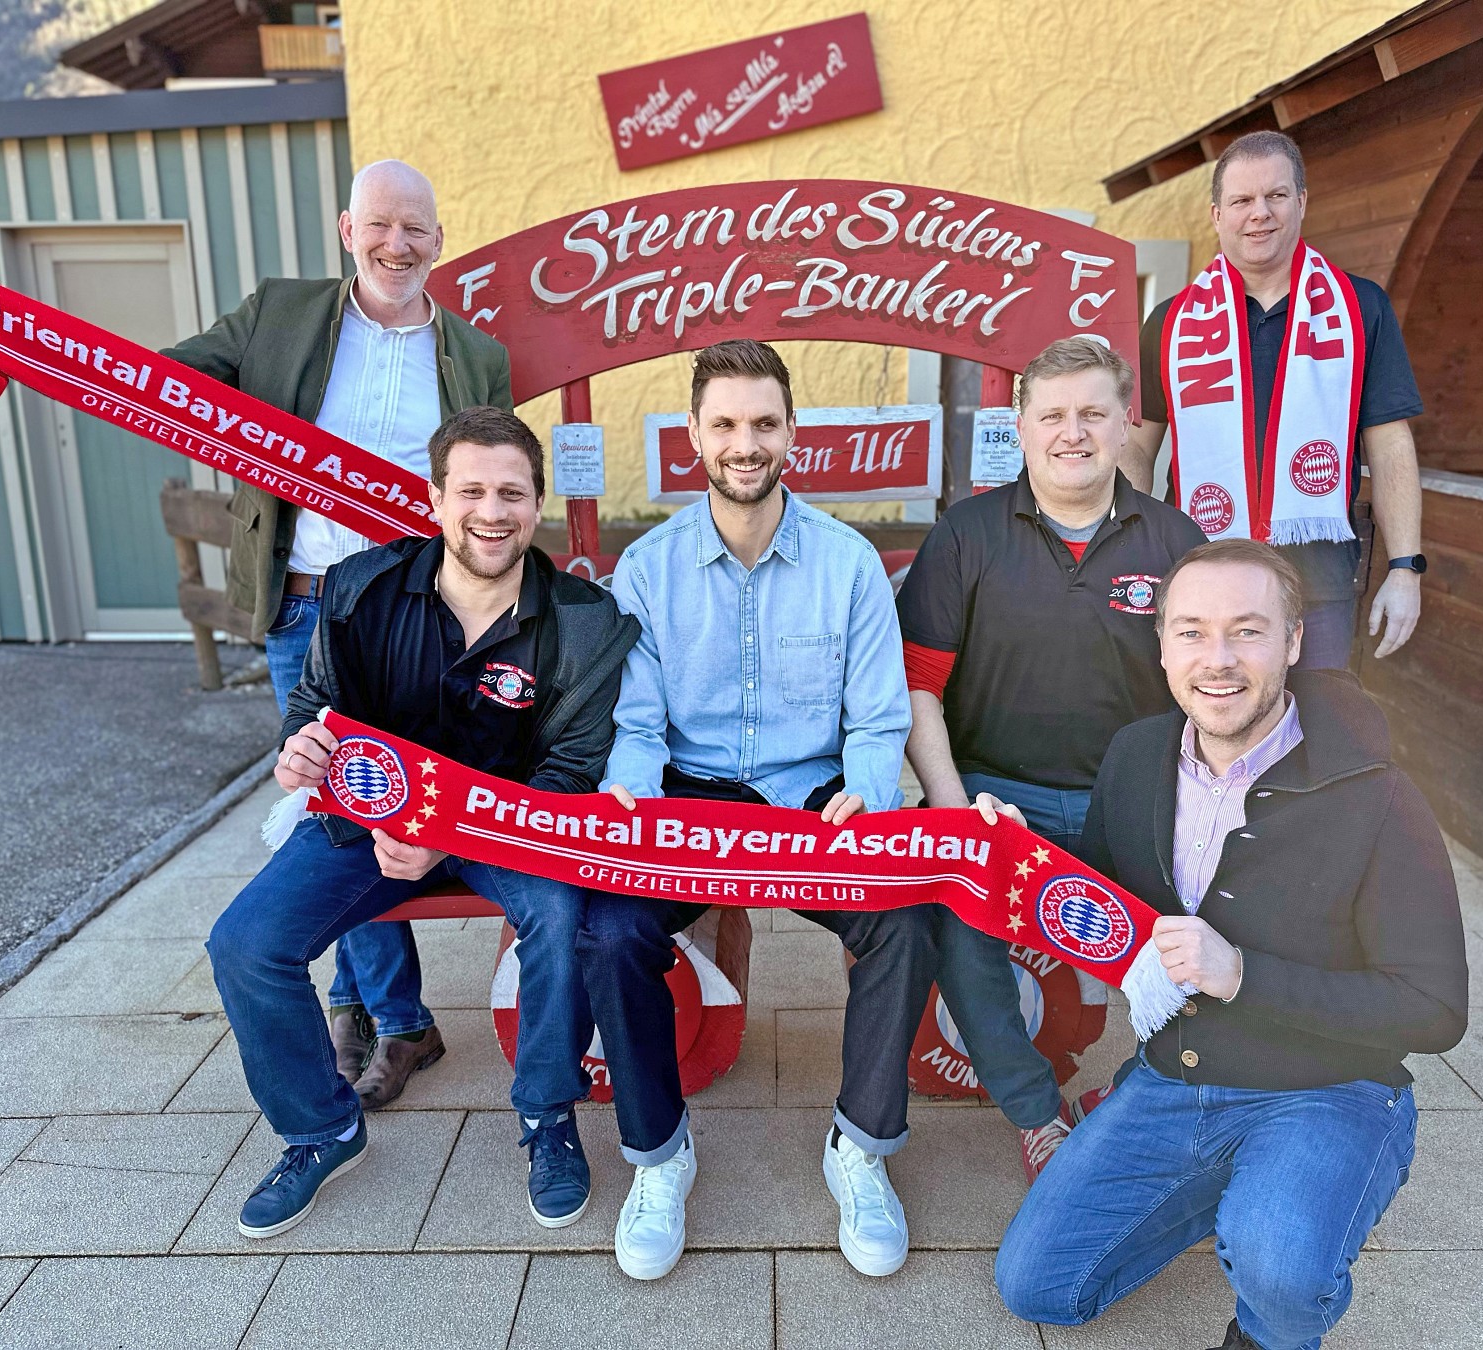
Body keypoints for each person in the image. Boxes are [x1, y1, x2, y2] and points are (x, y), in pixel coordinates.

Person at [0, 159, 515, 1107]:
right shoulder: (281, 314)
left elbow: (487, 486)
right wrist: (3, 323)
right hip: (303, 605)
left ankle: (371, 1010)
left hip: (410, 619)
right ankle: (392, 1016)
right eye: (379, 224)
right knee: (334, 804)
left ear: (438, 241)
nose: (396, 244)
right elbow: (157, 383)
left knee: (380, 799)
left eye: (415, 228)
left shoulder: (476, 357)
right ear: (347, 230)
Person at [992, 538, 1468, 1350]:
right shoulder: (1136, 755)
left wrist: (1243, 973)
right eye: (1192, 631)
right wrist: (1015, 852)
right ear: (1163, 645)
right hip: (1176, 1078)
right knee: (1037, 1285)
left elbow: (1435, 1010)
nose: (1217, 660)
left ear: (1293, 642)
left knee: (1282, 1273)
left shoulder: (1379, 793)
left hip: (1328, 1088)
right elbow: (1103, 893)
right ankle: (1247, 1188)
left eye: (1247, 631)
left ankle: (1273, 1270)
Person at [205, 406, 637, 1238]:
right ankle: (320, 1130)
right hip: (366, 822)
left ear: (537, 503)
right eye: (470, 491)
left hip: (511, 827)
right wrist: (302, 749)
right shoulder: (359, 587)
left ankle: (548, 1115)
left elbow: (569, 772)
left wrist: (446, 835)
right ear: (435, 499)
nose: (491, 512)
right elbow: (317, 704)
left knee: (561, 915)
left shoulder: (586, 624)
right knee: (244, 944)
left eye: (511, 493)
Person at [576, 339, 936, 1282]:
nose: (746, 443)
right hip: (690, 792)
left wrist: (870, 788)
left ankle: (860, 1147)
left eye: (764, 423)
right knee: (610, 930)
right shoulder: (646, 568)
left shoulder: (849, 564)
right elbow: (637, 724)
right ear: (694, 436)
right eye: (727, 424)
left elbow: (878, 718)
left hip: (810, 792)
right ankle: (660, 1156)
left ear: (792, 433)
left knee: (902, 920)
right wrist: (632, 804)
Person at [898, 336, 1206, 1183]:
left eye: (1093, 413)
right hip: (994, 797)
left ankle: (1130, 1100)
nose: (1074, 433)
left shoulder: (1178, 540)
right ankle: (1037, 1118)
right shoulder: (965, 534)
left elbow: (1207, 693)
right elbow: (918, 687)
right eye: (1054, 415)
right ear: (1021, 426)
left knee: (1211, 938)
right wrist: (954, 810)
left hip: (1135, 798)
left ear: (1126, 422)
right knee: (959, 931)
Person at [1123, 130, 1427, 670]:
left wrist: (1406, 569)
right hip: (1198, 574)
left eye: (1276, 196)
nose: (1259, 213)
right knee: (1205, 712)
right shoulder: (1171, 323)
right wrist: (1124, 554)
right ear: (1217, 215)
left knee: (1320, 717)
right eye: (1242, 200)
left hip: (1318, 584)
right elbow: (1136, 447)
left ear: (1301, 202)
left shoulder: (1359, 309)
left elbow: (1390, 445)